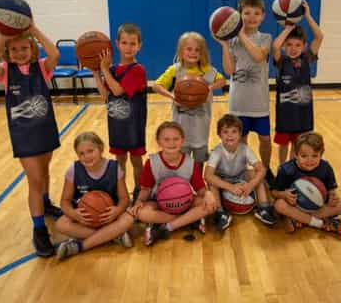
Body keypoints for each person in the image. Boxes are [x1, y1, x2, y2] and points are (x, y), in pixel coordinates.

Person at [0, 23, 63, 257]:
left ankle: (46, 204)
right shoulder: (6, 71)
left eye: (24, 48)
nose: (20, 52)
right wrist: (0, 37)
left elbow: (55, 54)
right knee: (35, 179)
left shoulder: (41, 67)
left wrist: (35, 30)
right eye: (15, 49)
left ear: (32, 49)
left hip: (45, 128)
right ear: (7, 53)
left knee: (46, 171)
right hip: (23, 134)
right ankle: (39, 229)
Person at [214, 0, 275, 185]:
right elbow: (229, 70)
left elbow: (258, 56)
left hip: (259, 103)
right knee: (241, 141)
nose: (251, 17)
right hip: (238, 102)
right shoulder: (232, 42)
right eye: (247, 13)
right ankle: (242, 171)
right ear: (239, 15)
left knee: (265, 139)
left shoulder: (266, 38)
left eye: (256, 13)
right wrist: (225, 44)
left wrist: (239, 34)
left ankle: (265, 169)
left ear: (263, 16)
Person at [128, 121, 216, 246]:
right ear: (158, 141)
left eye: (176, 139)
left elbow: (200, 189)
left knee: (210, 205)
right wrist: (138, 202)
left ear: (182, 140)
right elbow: (146, 189)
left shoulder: (190, 162)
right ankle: (188, 220)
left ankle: (166, 227)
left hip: (185, 202)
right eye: (166, 139)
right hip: (159, 203)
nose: (172, 143)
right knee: (142, 213)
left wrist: (208, 194)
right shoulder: (152, 162)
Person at [55, 132, 135, 260]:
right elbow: (64, 201)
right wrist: (74, 214)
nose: (86, 156)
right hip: (85, 219)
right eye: (81, 153)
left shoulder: (114, 168)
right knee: (60, 224)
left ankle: (79, 246)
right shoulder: (73, 170)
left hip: (110, 217)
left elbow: (124, 199)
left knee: (129, 219)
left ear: (101, 149)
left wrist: (117, 211)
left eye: (90, 151)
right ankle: (113, 236)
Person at [152, 31, 226, 169]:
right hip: (180, 128)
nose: (193, 53)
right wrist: (173, 96)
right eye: (189, 49)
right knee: (181, 161)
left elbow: (222, 80)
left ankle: (197, 185)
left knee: (199, 161)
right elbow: (156, 86)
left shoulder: (208, 71)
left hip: (201, 127)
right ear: (181, 51)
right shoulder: (175, 70)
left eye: (197, 50)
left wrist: (209, 87)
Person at [93, 23, 147, 202]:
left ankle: (138, 191)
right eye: (124, 43)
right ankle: (122, 191)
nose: (128, 47)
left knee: (136, 160)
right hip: (116, 124)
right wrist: (95, 72)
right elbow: (106, 96)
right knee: (120, 160)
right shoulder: (113, 70)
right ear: (117, 44)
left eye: (133, 43)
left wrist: (104, 70)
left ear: (139, 45)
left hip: (134, 125)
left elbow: (117, 91)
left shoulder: (138, 70)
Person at [271, 0, 324, 164]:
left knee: (298, 145)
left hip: (303, 115)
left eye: (297, 45)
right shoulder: (282, 60)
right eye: (289, 45)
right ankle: (282, 168)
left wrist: (307, 15)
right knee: (283, 145)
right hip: (285, 114)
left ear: (304, 46)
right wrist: (288, 28)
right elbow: (275, 46)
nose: (293, 48)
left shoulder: (307, 58)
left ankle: (293, 169)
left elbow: (319, 36)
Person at [204, 114, 276, 231]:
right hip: (223, 179)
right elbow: (207, 175)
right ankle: (220, 212)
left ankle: (263, 208)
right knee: (212, 183)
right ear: (219, 135)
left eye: (234, 131)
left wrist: (250, 185)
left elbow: (262, 169)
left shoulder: (245, 148)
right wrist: (230, 187)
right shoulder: (217, 152)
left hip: (240, 174)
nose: (230, 135)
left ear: (240, 134)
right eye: (225, 132)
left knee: (256, 174)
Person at [270, 132, 341, 236]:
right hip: (295, 206)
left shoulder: (325, 168)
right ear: (296, 154)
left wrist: (332, 197)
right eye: (304, 156)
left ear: (321, 154)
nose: (309, 160)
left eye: (315, 156)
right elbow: (273, 192)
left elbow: (331, 190)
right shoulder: (286, 169)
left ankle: (300, 219)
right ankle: (320, 223)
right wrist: (284, 195)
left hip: (317, 207)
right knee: (279, 205)